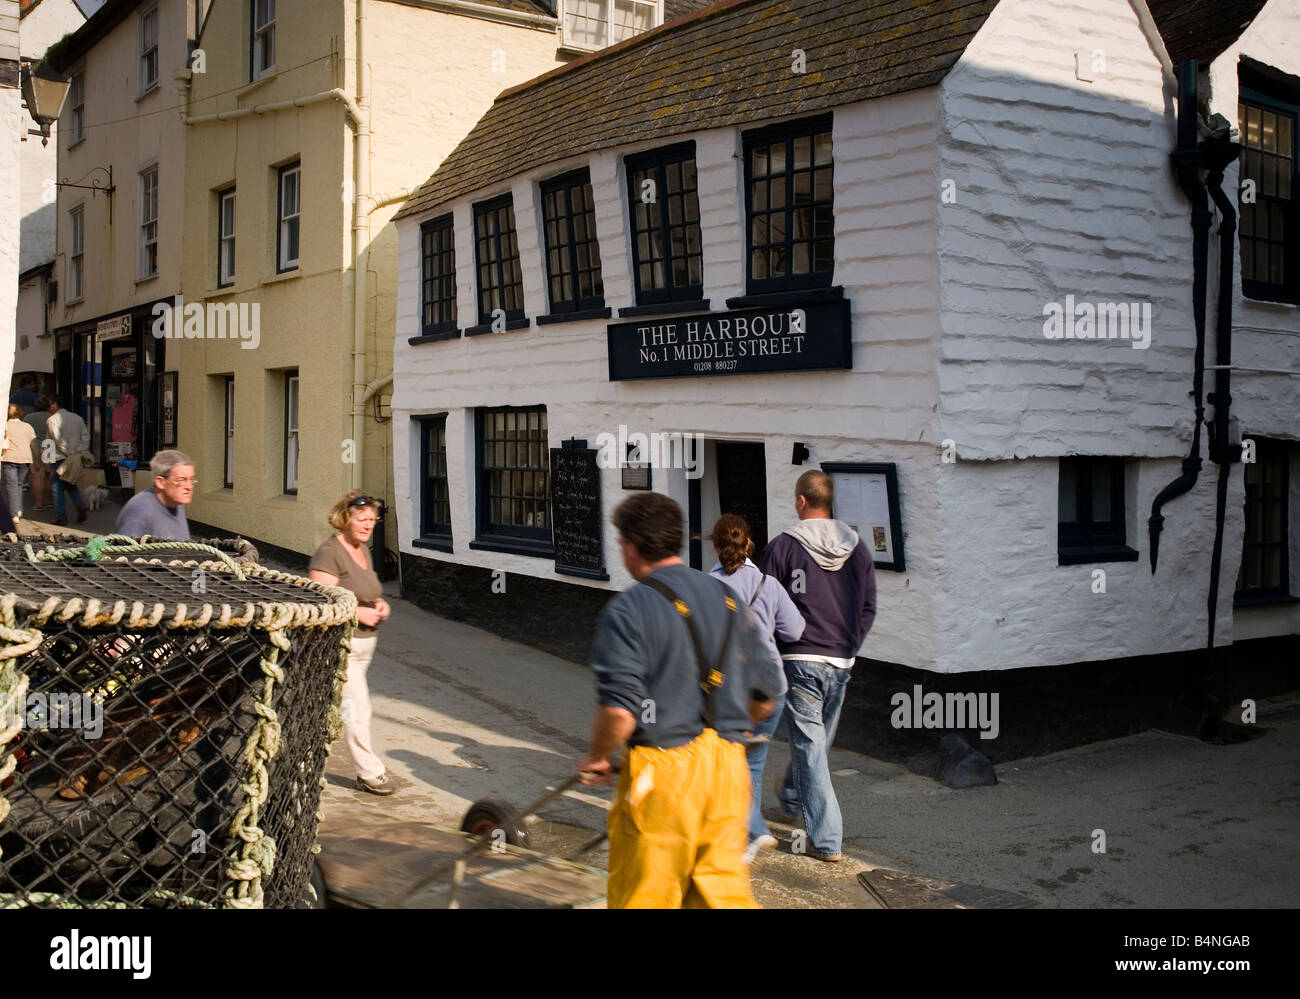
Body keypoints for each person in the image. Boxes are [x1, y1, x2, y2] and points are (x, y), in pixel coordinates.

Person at [580, 492, 782, 908]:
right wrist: (736, 727)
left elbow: (619, 711)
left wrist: (599, 756)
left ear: (631, 547)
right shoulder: (728, 598)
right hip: (728, 771)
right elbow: (767, 693)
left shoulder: (629, 608)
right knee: (721, 898)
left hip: (663, 774)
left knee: (647, 896)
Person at [758, 469, 877, 863]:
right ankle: (793, 794)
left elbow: (766, 605)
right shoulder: (859, 550)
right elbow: (867, 607)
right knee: (815, 742)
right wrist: (850, 644)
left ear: (801, 502)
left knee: (812, 744)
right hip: (841, 659)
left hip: (800, 658)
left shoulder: (782, 548)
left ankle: (826, 840)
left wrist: (771, 654)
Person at [708, 514, 805, 865]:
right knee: (753, 764)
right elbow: (795, 630)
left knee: (725, 761)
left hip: (732, 689)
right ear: (748, 544)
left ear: (717, 547)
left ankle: (752, 831)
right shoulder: (769, 584)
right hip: (771, 686)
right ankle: (746, 833)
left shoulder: (708, 587)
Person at [307, 491, 395, 796]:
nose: (368, 525)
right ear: (345, 517)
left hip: (363, 650)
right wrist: (359, 612)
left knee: (330, 707)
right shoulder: (329, 553)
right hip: (340, 648)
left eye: (372, 520)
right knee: (357, 709)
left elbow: (365, 589)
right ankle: (368, 772)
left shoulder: (362, 550)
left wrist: (379, 603)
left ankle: (301, 755)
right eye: (362, 519)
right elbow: (320, 605)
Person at [113, 450, 194, 540]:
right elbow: (122, 551)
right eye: (182, 480)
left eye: (191, 479)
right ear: (160, 482)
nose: (189, 486)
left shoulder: (177, 502)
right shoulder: (139, 511)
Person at [46, 396, 90, 526]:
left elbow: (57, 440)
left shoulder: (52, 420)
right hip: (75, 456)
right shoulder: (78, 418)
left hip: (60, 457)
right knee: (70, 483)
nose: (49, 408)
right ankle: (80, 505)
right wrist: (79, 451)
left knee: (57, 486)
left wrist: (69, 452)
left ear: (55, 405)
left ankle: (61, 516)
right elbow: (86, 436)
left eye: (50, 405)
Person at [2, 405, 36, 527]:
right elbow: (33, 444)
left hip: (9, 457)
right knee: (19, 484)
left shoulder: (4, 426)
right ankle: (19, 509)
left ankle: (14, 514)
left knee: (11, 486)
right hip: (25, 458)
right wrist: (35, 461)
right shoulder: (27, 426)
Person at [22, 395, 51, 513]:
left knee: (37, 475)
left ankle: (39, 504)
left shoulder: (28, 417)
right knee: (49, 475)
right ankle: (50, 501)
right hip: (49, 447)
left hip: (34, 447)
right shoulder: (51, 417)